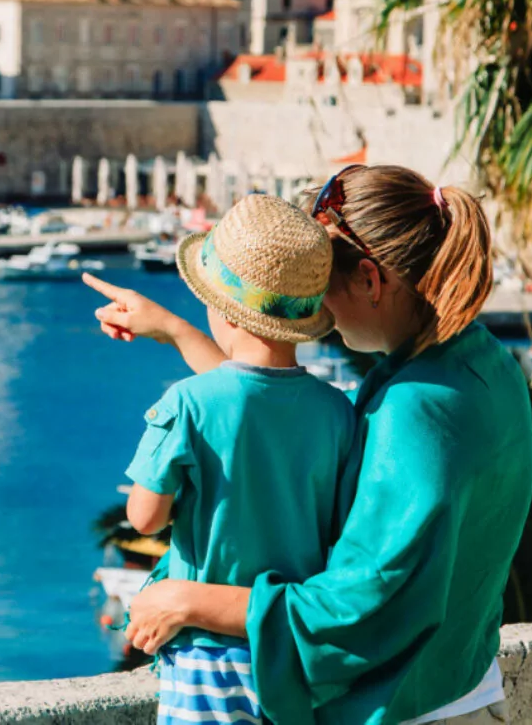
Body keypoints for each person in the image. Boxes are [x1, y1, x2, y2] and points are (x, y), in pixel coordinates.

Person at [83, 165, 532, 725]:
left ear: (370, 280)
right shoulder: (481, 363)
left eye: (324, 288)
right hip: (463, 685)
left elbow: (352, 610)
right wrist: (177, 331)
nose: (315, 312)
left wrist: (186, 599)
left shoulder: (412, 414)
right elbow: (264, 405)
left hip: (406, 711)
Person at [122, 195, 356, 725]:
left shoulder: (187, 403)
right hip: (289, 653)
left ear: (220, 308)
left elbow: (145, 517)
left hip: (204, 658)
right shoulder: (338, 412)